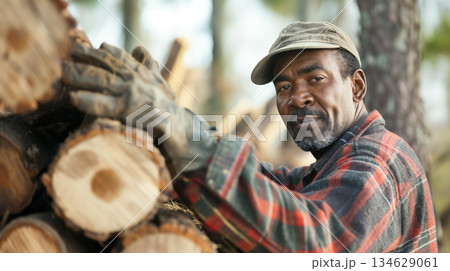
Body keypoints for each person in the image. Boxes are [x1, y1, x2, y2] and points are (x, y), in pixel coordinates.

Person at [62, 21, 437, 252]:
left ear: (356, 86)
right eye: (284, 86)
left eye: (315, 79)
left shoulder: (378, 163)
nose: (296, 97)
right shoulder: (329, 169)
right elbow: (264, 181)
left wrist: (177, 127)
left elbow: (318, 247)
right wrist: (164, 132)